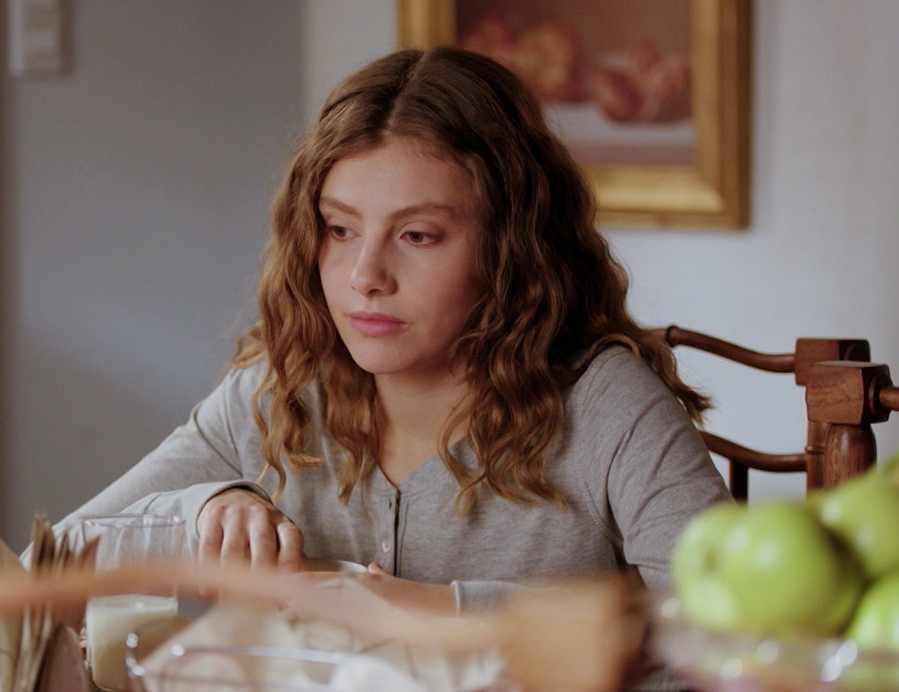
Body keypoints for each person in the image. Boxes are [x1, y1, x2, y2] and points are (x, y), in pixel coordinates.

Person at [50, 47, 730, 620]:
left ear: (511, 248)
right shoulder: (277, 393)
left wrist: (446, 612)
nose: (365, 275)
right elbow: (46, 569)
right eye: (340, 229)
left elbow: (732, 634)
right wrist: (201, 508)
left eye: (417, 235)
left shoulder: (607, 407)